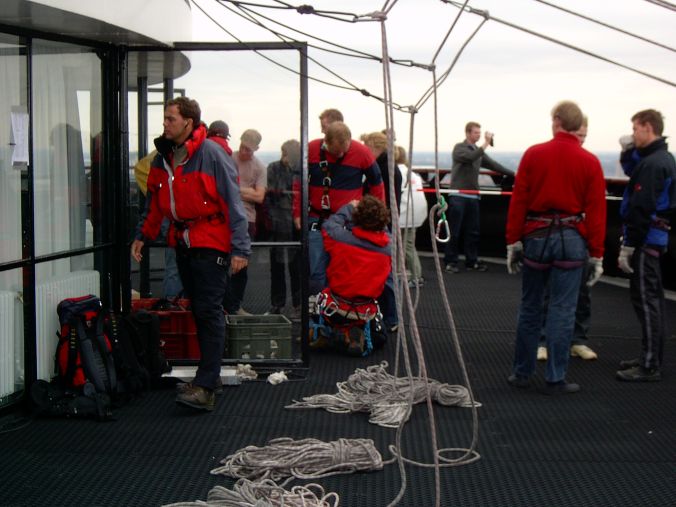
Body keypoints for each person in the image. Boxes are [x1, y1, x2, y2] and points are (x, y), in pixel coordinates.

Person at [131, 97, 250, 411]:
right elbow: (155, 202)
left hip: (210, 242)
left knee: (208, 310)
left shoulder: (210, 153)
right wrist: (143, 235)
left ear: (188, 121)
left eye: (170, 118)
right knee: (200, 309)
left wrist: (240, 248)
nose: (165, 124)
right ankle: (210, 376)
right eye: (165, 118)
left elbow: (232, 202)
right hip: (184, 242)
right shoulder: (164, 158)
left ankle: (206, 385)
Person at [505, 100, 606, 395]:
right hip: (571, 240)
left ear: (558, 121)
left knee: (530, 306)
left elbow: (519, 201)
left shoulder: (534, 154)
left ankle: (521, 373)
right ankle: (556, 378)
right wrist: (597, 255)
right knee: (563, 309)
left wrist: (513, 242)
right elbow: (596, 212)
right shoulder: (590, 162)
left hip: (536, 236)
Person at [615, 109, 676, 382]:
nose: (633, 133)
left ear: (647, 127)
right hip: (654, 238)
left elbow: (641, 207)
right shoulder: (660, 158)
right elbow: (633, 170)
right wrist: (629, 151)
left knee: (647, 301)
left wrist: (629, 245)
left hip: (646, 239)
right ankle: (648, 357)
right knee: (649, 299)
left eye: (635, 129)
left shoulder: (654, 164)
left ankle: (650, 365)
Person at [297, 121, 385, 296]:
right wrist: (297, 212)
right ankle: (318, 306)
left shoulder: (361, 152)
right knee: (316, 270)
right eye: (337, 152)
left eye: (345, 150)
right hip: (318, 218)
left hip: (349, 221)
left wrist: (377, 219)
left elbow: (377, 185)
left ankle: (340, 306)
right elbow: (298, 183)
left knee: (345, 269)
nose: (342, 155)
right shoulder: (311, 150)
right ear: (326, 142)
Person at [537, 115, 598, 362]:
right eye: (578, 135)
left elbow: (595, 207)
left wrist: (596, 251)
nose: (580, 140)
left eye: (584, 136)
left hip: (579, 237)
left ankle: (577, 340)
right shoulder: (561, 161)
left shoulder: (587, 163)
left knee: (582, 292)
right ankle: (543, 341)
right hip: (558, 234)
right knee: (549, 291)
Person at [312, 196, 392, 356]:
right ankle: (357, 334)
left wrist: (348, 208)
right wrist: (378, 219)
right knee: (381, 335)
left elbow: (329, 225)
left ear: (356, 218)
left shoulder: (339, 239)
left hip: (335, 307)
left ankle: (325, 331)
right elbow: (384, 233)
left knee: (316, 296)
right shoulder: (388, 249)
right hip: (365, 310)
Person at [444, 122, 515, 273]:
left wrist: (515, 174)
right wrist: (486, 144)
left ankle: (471, 261)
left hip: (473, 196)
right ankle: (451, 262)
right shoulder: (459, 148)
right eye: (476, 132)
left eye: (479, 133)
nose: (479, 135)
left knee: (473, 232)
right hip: (459, 195)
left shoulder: (478, 151)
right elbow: (470, 158)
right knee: (454, 231)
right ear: (468, 133)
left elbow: (493, 165)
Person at [360, 131, 401, 331]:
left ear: (375, 147)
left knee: (386, 274)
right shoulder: (387, 167)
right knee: (385, 273)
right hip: (383, 224)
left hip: (381, 226)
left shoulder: (382, 169)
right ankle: (389, 316)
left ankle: (391, 317)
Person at [224, 128, 266, 316]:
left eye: (248, 149)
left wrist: (233, 189)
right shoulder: (228, 158)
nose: (243, 151)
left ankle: (234, 306)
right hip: (226, 217)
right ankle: (224, 305)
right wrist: (247, 191)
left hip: (247, 219)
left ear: (256, 149)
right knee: (220, 263)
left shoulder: (259, 167)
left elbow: (259, 197)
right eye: (242, 147)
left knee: (240, 265)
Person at [133, 149, 184, 299]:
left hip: (171, 216)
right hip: (177, 218)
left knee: (175, 266)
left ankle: (173, 305)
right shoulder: (169, 153)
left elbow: (141, 171)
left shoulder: (162, 153)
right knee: (178, 266)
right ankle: (177, 304)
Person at [265, 140, 301, 317]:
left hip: (295, 224)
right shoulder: (273, 167)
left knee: (297, 268)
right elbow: (272, 191)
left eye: (287, 154)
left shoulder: (300, 170)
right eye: (283, 153)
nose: (284, 157)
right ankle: (277, 304)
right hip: (278, 222)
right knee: (277, 266)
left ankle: (298, 305)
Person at [397, 145, 427, 287]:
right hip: (416, 213)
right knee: (407, 244)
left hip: (405, 213)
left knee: (406, 245)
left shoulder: (397, 172)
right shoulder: (413, 174)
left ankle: (416, 277)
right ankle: (408, 273)